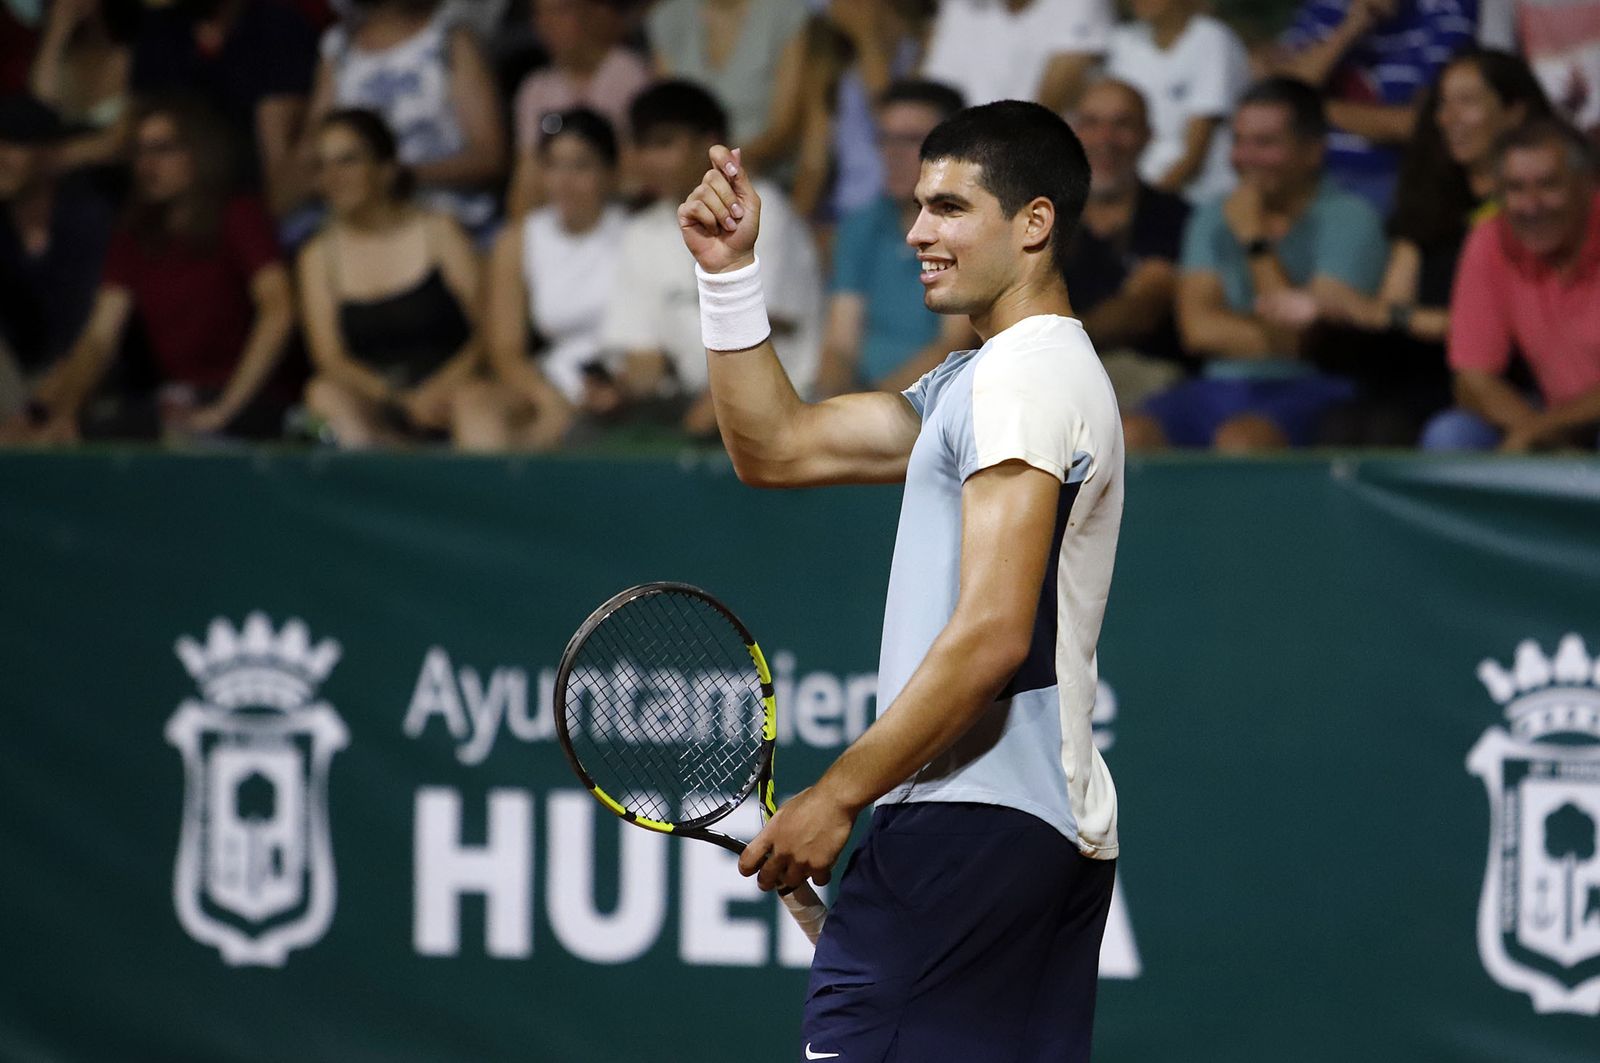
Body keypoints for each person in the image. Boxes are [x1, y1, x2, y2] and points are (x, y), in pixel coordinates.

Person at [679, 99, 1123, 1059]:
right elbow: (779, 448)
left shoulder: (1021, 381)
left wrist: (838, 795)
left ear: (1034, 223)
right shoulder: (993, 377)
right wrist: (729, 278)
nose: (917, 230)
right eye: (919, 205)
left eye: (952, 208)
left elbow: (994, 634)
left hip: (965, 824)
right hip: (1048, 830)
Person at [1268, 50, 1553, 444]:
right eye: (1442, 104)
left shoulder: (1540, 209)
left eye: (1467, 102)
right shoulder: (1428, 202)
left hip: (1508, 378)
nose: (1447, 118)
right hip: (1422, 371)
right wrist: (1336, 306)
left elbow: (1507, 324)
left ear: (1514, 111)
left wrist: (1376, 312)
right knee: (1343, 425)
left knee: (1413, 430)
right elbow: (1391, 304)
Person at [4, 96, 295, 443]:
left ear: (200, 152)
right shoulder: (134, 234)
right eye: (140, 152)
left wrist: (224, 410)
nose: (147, 164)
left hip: (254, 400)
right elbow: (98, 340)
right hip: (175, 400)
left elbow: (277, 308)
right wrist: (60, 413)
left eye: (163, 149)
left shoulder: (238, 215)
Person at [1128, 77, 1386, 451]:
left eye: (1264, 143)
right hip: (1215, 386)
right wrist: (1273, 337)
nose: (1244, 158)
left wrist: (1254, 239)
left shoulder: (1351, 218)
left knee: (1241, 441)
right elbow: (1196, 330)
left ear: (1312, 151)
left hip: (1315, 386)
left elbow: (1301, 336)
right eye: (1239, 141)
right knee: (1127, 434)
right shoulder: (1213, 215)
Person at [599, 80, 820, 437]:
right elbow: (643, 356)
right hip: (688, 407)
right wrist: (618, 390)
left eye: (664, 143)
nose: (651, 159)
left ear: (710, 142)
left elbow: (766, 328)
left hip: (785, 402)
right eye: (643, 145)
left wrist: (714, 409)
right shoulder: (641, 232)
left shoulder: (762, 208)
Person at [297, 108, 482, 448]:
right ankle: (377, 489)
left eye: (348, 161)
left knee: (475, 403)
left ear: (386, 170)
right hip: (379, 405)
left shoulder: (439, 231)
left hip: (453, 391)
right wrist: (400, 399)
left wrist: (440, 390)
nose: (333, 177)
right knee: (321, 393)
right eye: (323, 166)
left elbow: (487, 332)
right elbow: (330, 358)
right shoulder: (317, 256)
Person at [1422, 118, 1600, 451]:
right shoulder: (1490, 240)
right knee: (1451, 434)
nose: (1531, 206)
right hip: (1554, 421)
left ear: (1587, 184)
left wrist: (1541, 431)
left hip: (1570, 421)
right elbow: (1472, 379)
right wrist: (1539, 434)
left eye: (1549, 186)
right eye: (1516, 189)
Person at [455, 108, 626, 450]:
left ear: (610, 173)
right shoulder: (518, 240)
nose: (564, 181)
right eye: (553, 165)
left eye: (580, 166)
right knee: (474, 404)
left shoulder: (638, 232)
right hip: (553, 380)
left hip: (623, 381)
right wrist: (549, 399)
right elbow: (506, 350)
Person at [815, 79, 973, 398]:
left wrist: (870, 411)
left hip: (938, 408)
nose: (893, 154)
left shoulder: (970, 230)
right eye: (885, 139)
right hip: (860, 404)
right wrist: (831, 406)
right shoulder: (860, 224)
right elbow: (840, 344)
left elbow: (954, 347)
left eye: (912, 140)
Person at [304, 0, 507, 234]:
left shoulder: (449, 39)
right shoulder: (338, 48)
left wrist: (398, 175)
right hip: (363, 226)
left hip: (456, 220)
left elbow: (491, 157)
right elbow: (312, 151)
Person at [1269, 0, 1478, 213]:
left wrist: (1313, 107)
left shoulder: (1446, 13)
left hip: (1389, 175)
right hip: (1306, 170)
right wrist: (1353, 26)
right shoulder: (1324, 9)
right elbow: (1280, 93)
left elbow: (1422, 123)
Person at [1065, 78, 1192, 407]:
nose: (1105, 139)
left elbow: (1143, 306)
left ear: (1147, 136)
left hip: (1143, 375)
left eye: (1122, 124)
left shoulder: (1172, 215)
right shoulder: (1040, 217)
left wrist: (1058, 344)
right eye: (1091, 123)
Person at [129, 0, 319, 216]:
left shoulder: (277, 25)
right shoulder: (160, 30)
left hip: (250, 196)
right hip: (171, 204)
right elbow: (134, 127)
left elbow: (278, 158)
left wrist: (263, 225)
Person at [0, 93, 113, 422]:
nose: (0, 157)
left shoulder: (87, 216)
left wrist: (48, 401)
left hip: (84, 374)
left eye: (12, 146)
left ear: (51, 155)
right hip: (18, 381)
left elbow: (93, 331)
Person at [505, 0, 649, 218]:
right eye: (539, 15)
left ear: (592, 13)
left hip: (619, 218)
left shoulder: (629, 73)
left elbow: (638, 174)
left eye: (560, 12)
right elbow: (525, 179)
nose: (547, 23)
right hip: (557, 219)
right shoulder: (535, 87)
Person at [1105, 0, 1248, 203]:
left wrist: (1144, 207)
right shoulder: (1124, 41)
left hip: (1201, 197)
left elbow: (1196, 152)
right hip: (1139, 194)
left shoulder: (1212, 38)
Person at [646, 0, 810, 145]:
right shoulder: (668, 15)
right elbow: (666, 114)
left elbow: (785, 126)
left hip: (761, 168)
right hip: (686, 167)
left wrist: (727, 165)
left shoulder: (785, 11)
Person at [921, 0, 1113, 114]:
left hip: (1028, 155)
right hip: (955, 152)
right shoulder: (958, 6)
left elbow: (1048, 110)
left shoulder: (1079, 4)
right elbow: (928, 94)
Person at [27, 0, 137, 174]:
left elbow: (128, 137)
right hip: (54, 179)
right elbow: (39, 105)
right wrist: (57, 31)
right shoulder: (50, 55)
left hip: (116, 176)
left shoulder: (133, 54)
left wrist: (65, 155)